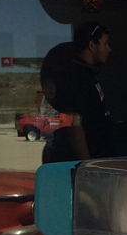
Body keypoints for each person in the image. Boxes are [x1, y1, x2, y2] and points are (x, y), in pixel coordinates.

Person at [47, 21, 114, 162]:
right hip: (87, 164)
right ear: (91, 45)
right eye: (105, 44)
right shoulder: (74, 76)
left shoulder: (87, 74)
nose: (109, 49)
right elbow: (74, 123)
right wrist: (86, 164)